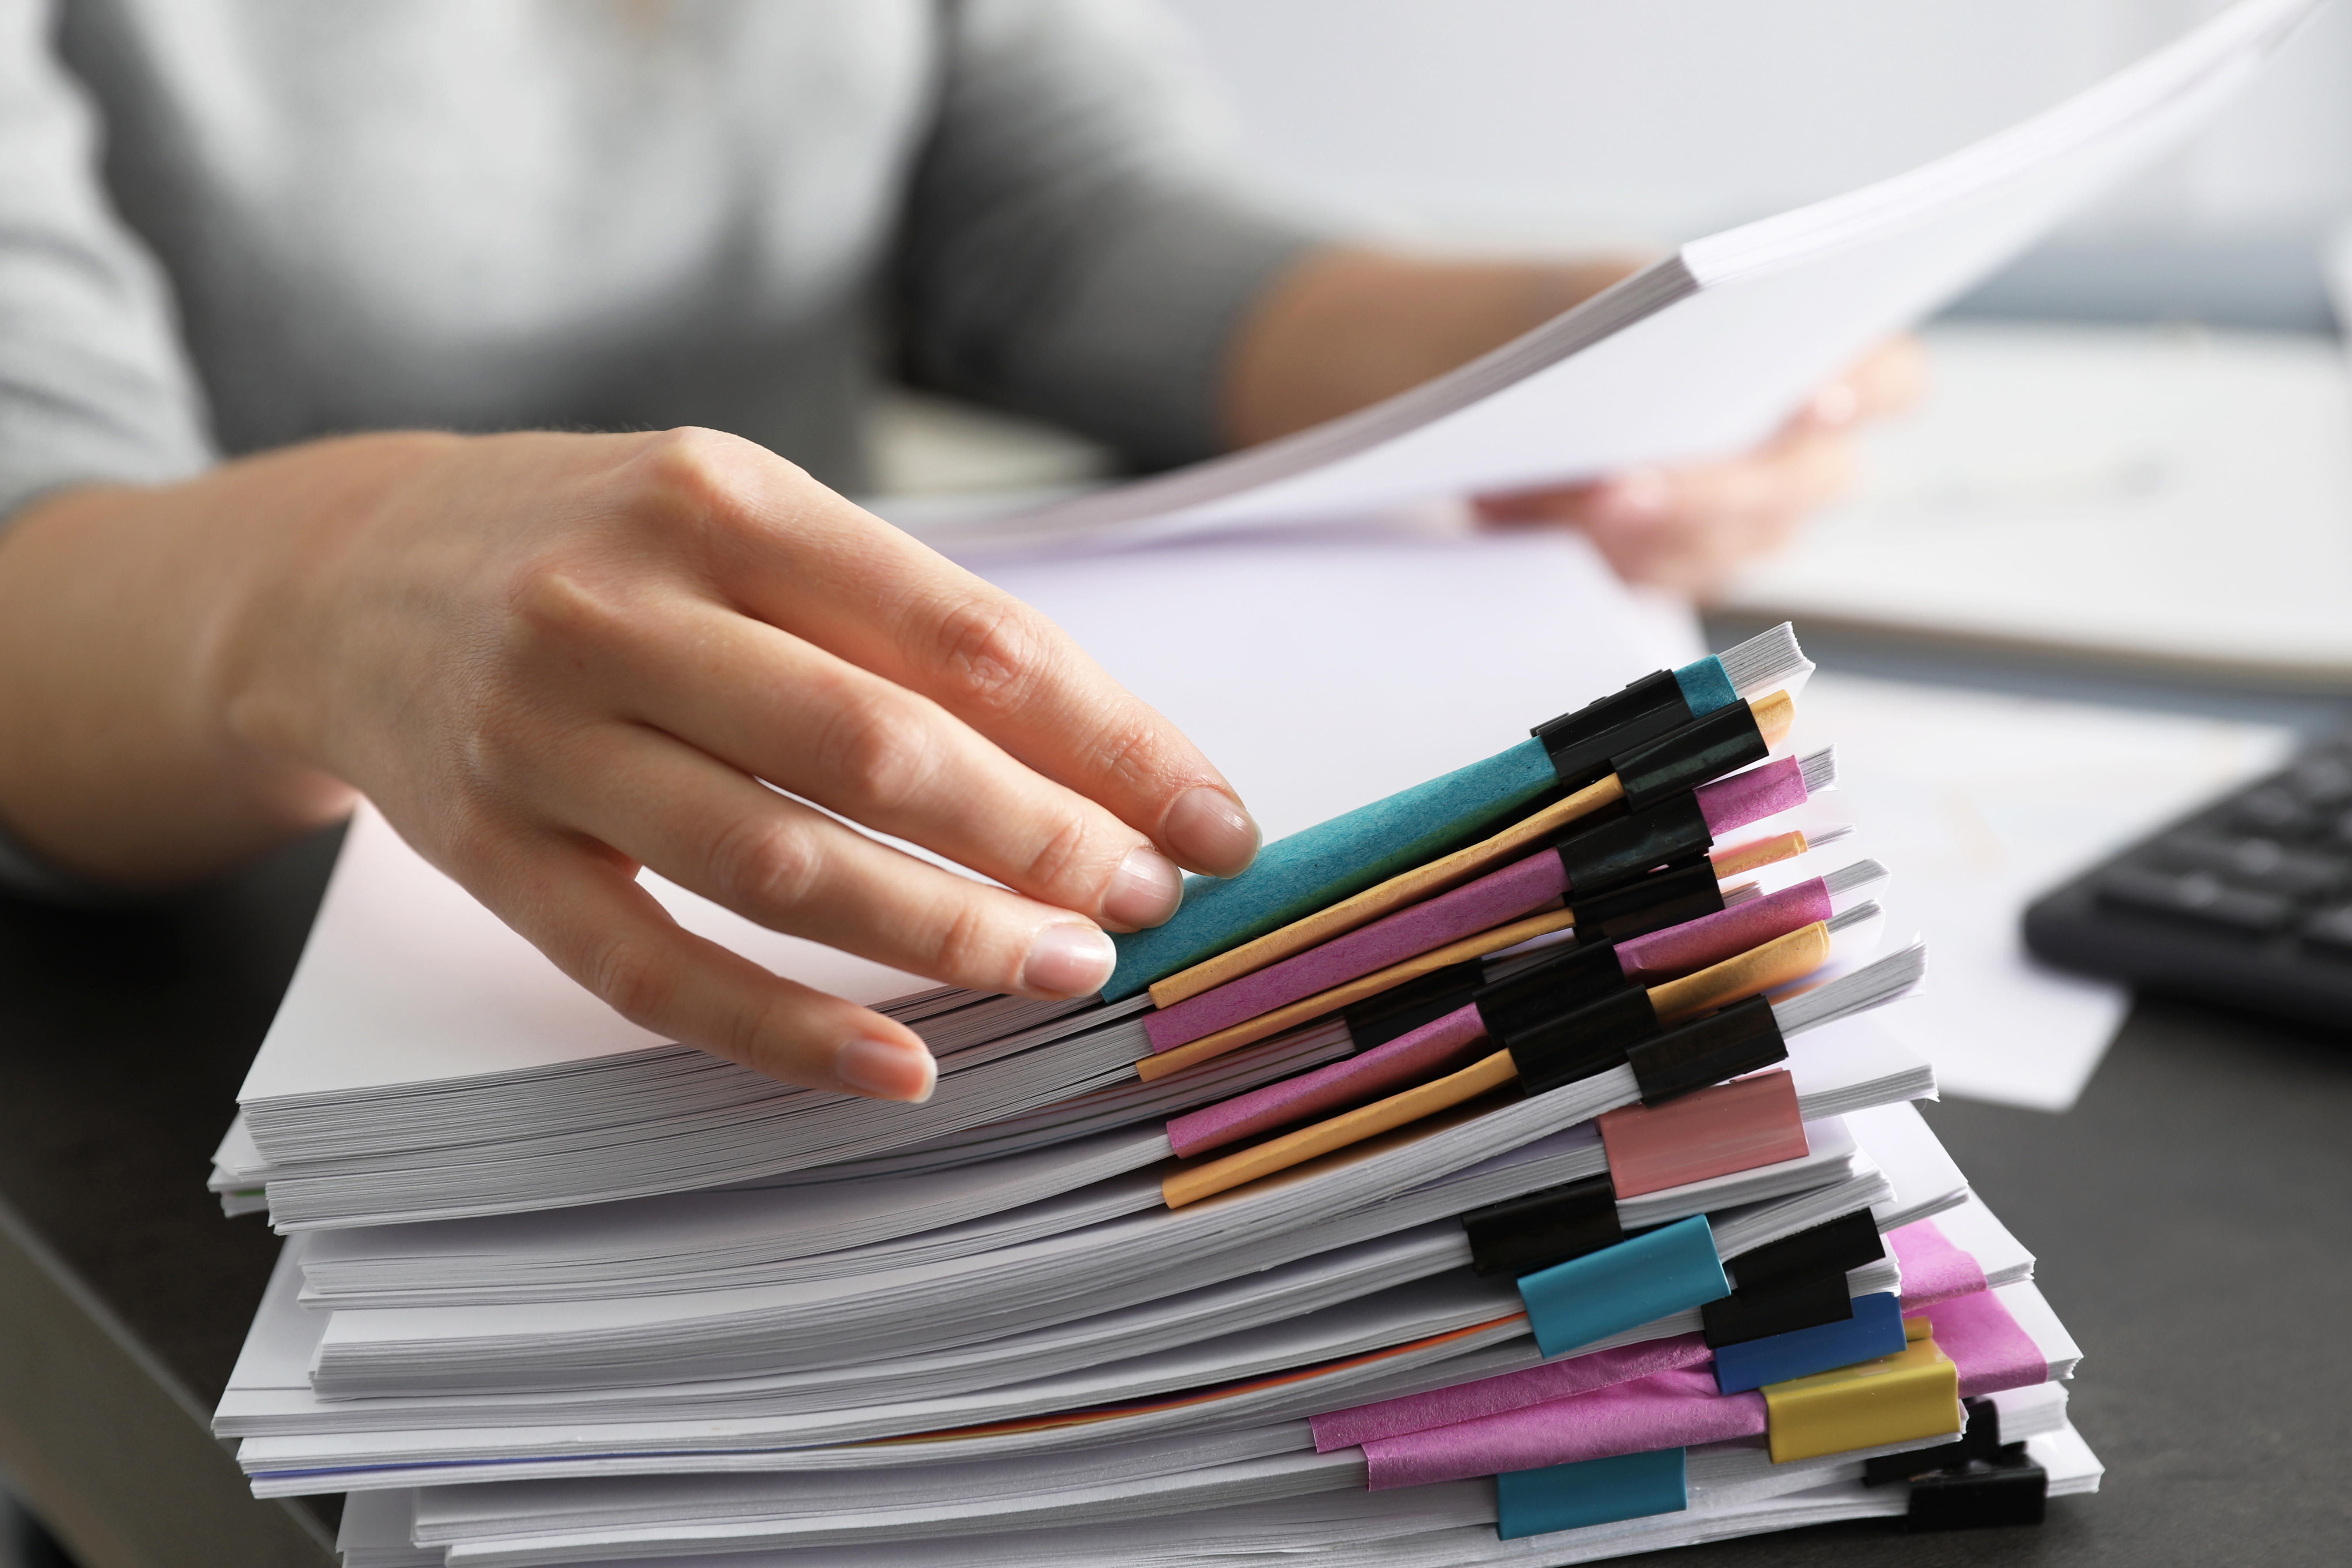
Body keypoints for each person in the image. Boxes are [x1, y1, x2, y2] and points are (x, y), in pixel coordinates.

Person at [0, 0, 1915, 1104]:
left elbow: (1049, 207)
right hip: (205, 942)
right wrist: (320, 581)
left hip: (819, 842)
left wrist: (1535, 343)